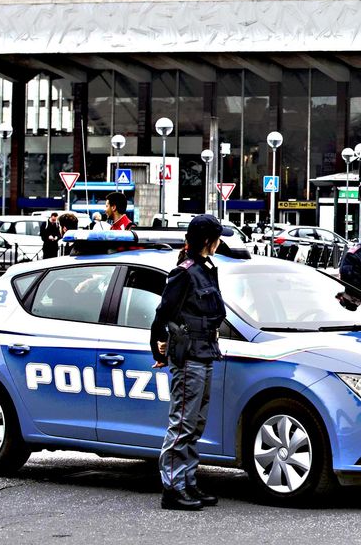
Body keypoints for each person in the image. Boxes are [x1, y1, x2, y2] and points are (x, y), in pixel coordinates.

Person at [150, 215, 226, 511]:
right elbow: (162, 314)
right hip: (189, 356)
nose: (219, 243)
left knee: (195, 424)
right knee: (182, 423)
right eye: (217, 238)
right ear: (208, 240)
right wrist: (158, 351)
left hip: (205, 352)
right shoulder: (184, 272)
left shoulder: (206, 269)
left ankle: (188, 481)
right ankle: (173, 488)